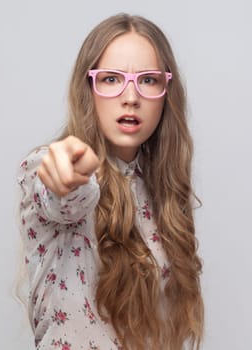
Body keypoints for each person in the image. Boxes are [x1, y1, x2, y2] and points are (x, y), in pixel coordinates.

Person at [16, 13, 203, 350]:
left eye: (147, 80)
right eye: (111, 79)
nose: (130, 96)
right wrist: (68, 170)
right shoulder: (51, 168)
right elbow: (60, 192)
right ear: (88, 88)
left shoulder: (162, 193)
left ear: (165, 92)